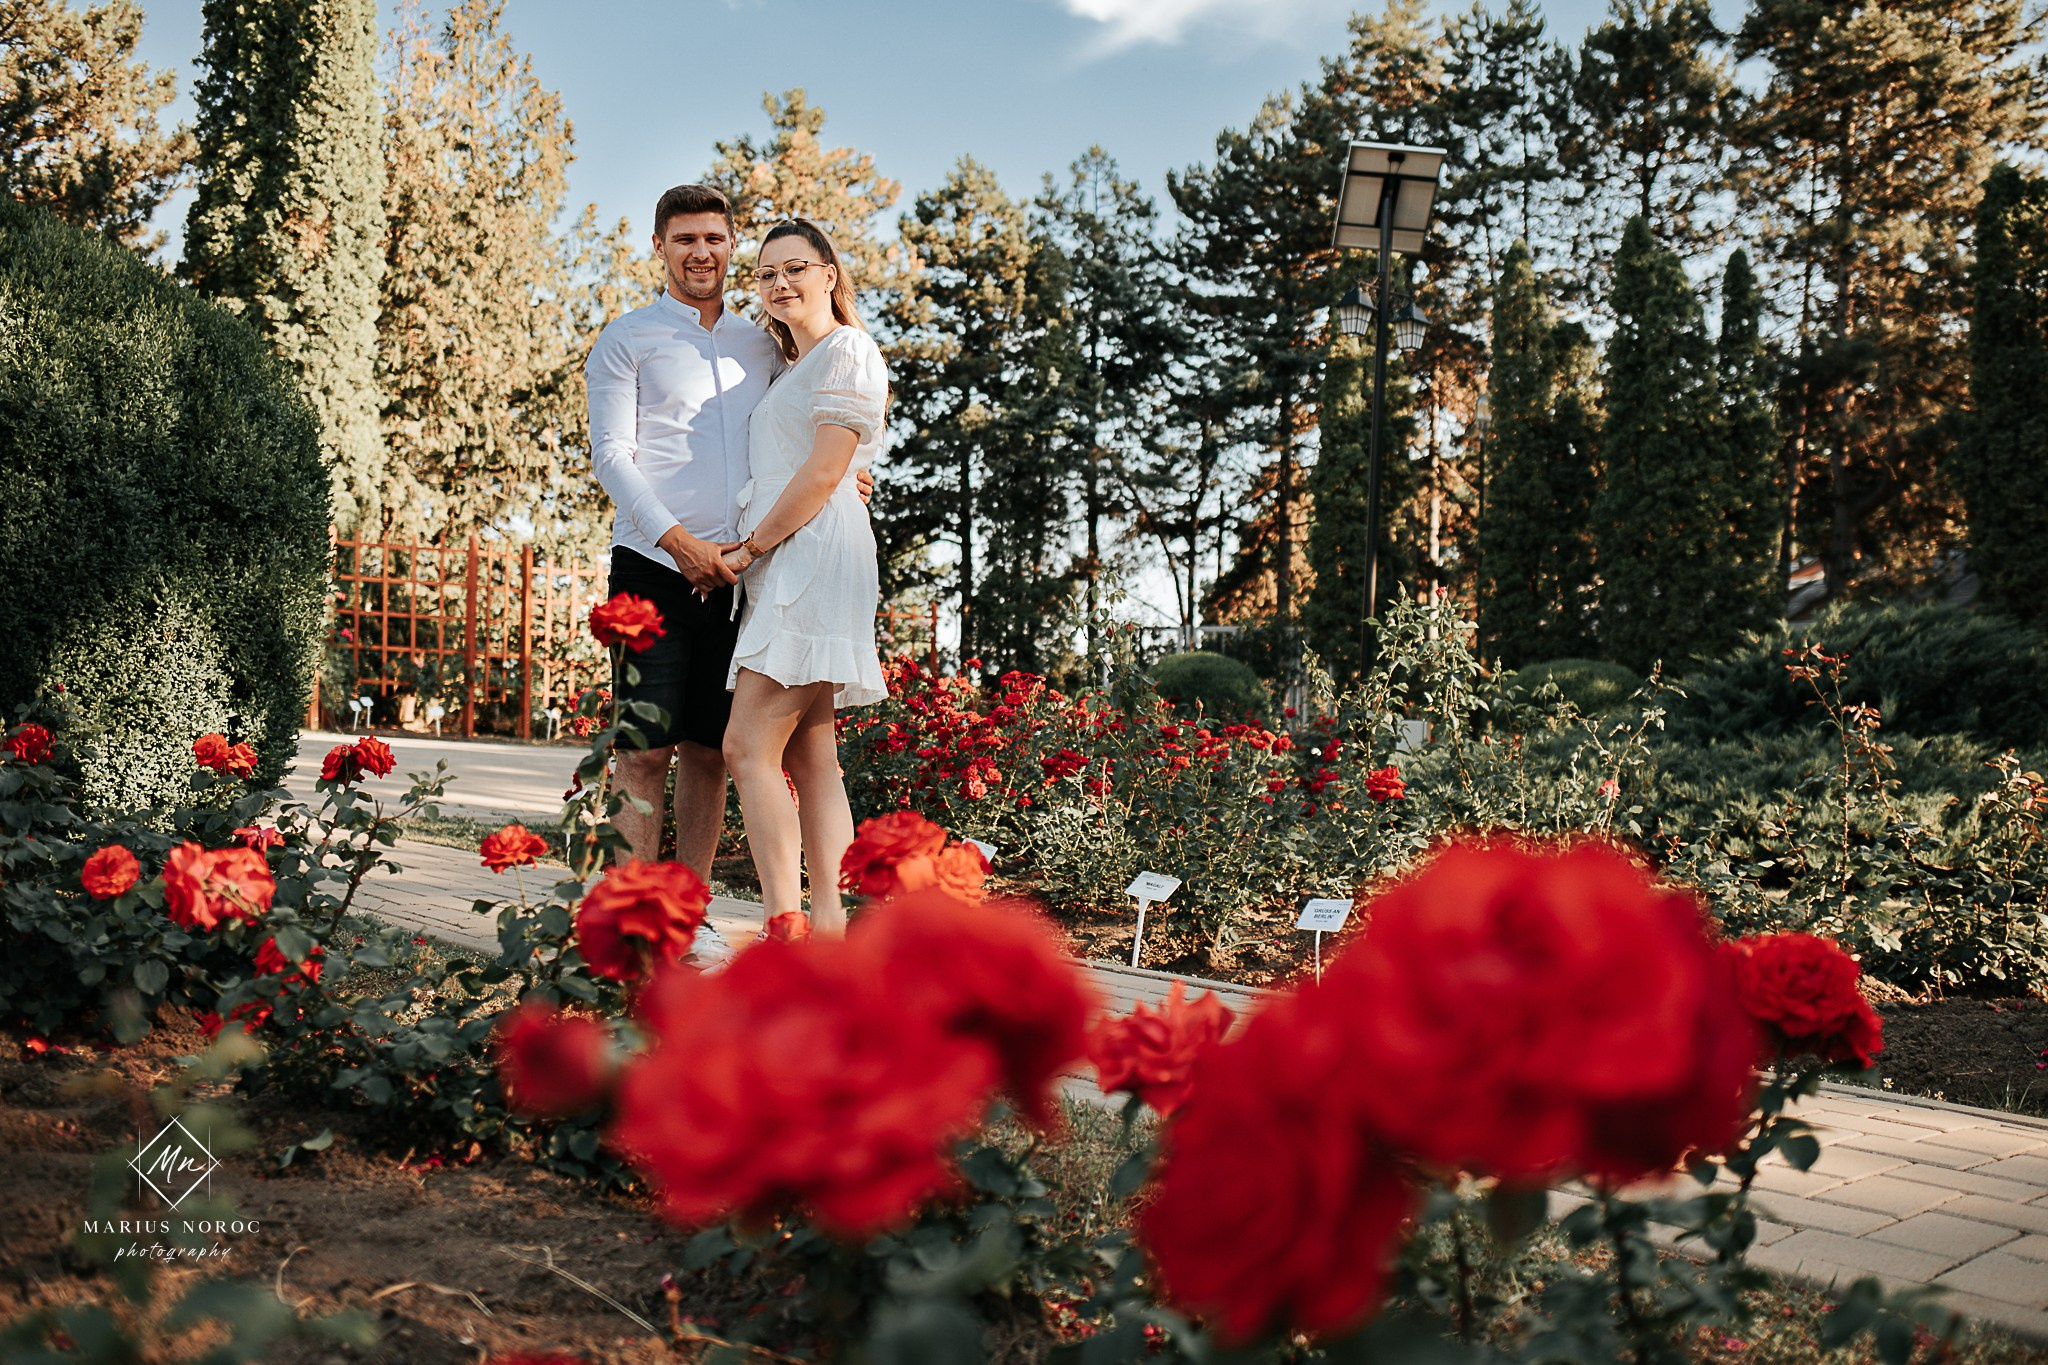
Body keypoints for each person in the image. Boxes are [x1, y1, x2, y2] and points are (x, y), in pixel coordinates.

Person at [584, 185, 869, 885]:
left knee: (712, 750)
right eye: (684, 239)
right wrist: (679, 541)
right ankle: (632, 917)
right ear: (660, 247)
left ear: (730, 244)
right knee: (642, 750)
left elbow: (813, 429)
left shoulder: (764, 342)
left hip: (745, 577)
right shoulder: (627, 338)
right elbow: (612, 455)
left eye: (714, 238)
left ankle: (690, 911)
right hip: (654, 565)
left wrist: (853, 476)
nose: (700, 252)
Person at [717, 220, 889, 937]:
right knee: (812, 755)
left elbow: (822, 470)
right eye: (766, 275)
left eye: (795, 268)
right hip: (798, 551)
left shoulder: (848, 349)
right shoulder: (796, 366)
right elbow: (823, 462)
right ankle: (828, 932)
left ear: (829, 274)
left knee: (745, 747)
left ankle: (784, 924)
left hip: (808, 554)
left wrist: (750, 545)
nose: (780, 283)